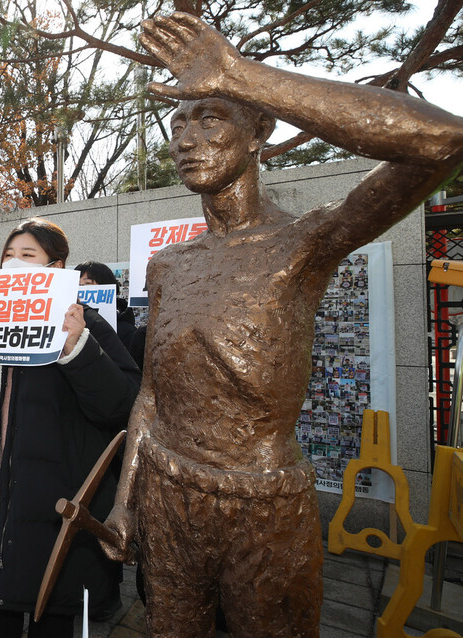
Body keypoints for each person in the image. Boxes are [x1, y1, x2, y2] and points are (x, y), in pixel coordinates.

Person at [100, 12, 463, 637]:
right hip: (167, 488)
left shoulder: (303, 242)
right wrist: (125, 499)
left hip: (261, 503)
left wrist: (240, 74)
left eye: (210, 116)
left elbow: (444, 141)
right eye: (177, 122)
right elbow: (153, 395)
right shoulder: (168, 265)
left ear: (258, 131)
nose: (186, 138)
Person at [0, 217, 141, 637]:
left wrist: (77, 349)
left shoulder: (89, 326)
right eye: (8, 255)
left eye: (27, 255)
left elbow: (121, 405)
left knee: (53, 609)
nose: (14, 263)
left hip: (55, 499)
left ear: (57, 265)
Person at [75, 261, 136, 349]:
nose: (80, 289)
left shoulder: (126, 331)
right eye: (77, 284)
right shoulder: (67, 326)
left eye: (87, 283)